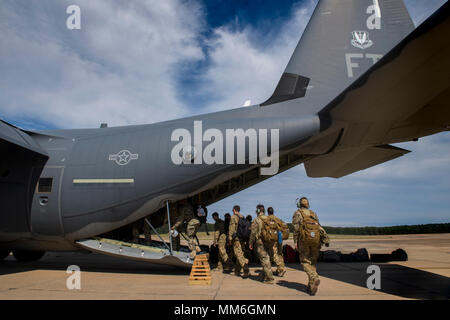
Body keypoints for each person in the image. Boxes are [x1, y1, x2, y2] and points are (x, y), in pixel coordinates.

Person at [292, 197, 325, 295]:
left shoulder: (297, 213)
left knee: (305, 261)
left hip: (304, 241)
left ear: (299, 205)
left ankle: (314, 277)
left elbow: (296, 229)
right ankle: (311, 287)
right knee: (313, 263)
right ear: (308, 204)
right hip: (315, 241)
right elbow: (319, 226)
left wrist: (295, 242)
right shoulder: (313, 213)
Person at [249, 204, 274, 284]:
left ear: (258, 211)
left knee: (264, 259)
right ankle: (263, 275)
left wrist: (251, 243)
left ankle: (270, 278)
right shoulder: (269, 219)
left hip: (261, 242)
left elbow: (253, 233)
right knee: (267, 258)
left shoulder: (257, 220)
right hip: (269, 241)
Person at [228, 205, 250, 278]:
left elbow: (231, 228)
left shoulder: (233, 217)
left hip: (236, 238)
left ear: (234, 210)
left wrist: (230, 238)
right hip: (242, 239)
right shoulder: (242, 217)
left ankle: (246, 269)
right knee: (240, 253)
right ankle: (237, 271)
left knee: (238, 254)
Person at [267, 207, 286, 277]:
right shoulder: (278, 219)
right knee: (280, 254)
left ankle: (281, 269)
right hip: (280, 238)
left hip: (272, 239)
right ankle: (280, 269)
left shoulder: (267, 219)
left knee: (274, 255)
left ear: (268, 212)